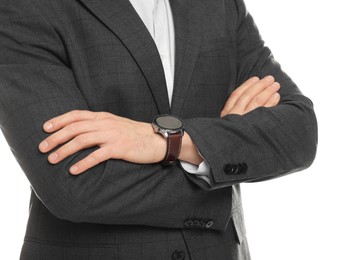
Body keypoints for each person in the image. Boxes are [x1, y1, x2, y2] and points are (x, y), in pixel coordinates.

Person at [0, 0, 317, 259]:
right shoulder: (25, 7)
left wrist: (169, 143)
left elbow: (298, 133)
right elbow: (75, 186)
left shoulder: (218, 4)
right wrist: (218, 162)